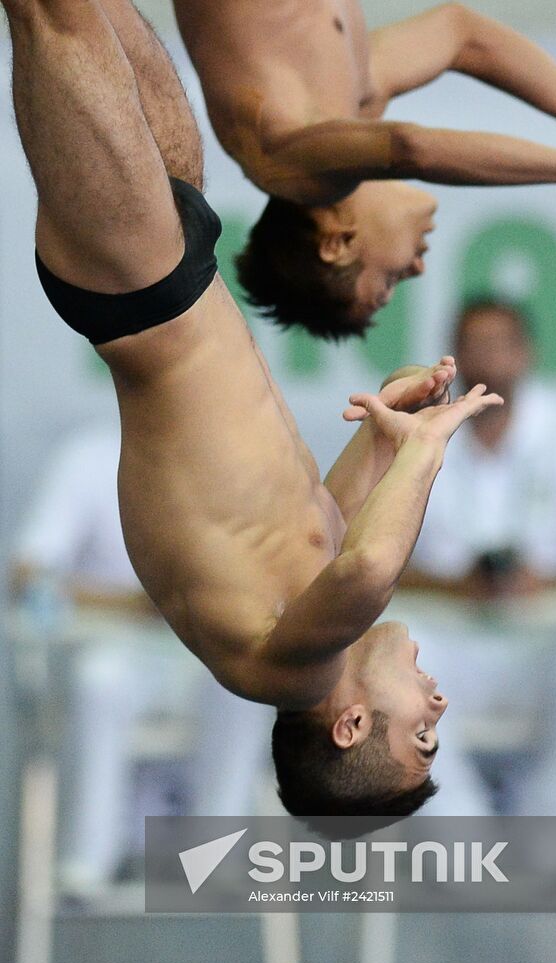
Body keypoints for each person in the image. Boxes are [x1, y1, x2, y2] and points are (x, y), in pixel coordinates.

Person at [1, 0, 503, 829]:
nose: (438, 705)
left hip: (136, 286)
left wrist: (425, 447)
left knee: (54, 15)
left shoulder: (289, 671)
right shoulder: (302, 627)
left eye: (422, 734)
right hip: (173, 266)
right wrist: (392, 428)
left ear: (349, 726)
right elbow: (332, 526)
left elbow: (366, 571)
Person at [172, 0, 556, 339]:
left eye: (389, 282)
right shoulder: (343, 103)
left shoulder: (291, 167)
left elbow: (413, 148)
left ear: (336, 243)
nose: (418, 269)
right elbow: (461, 34)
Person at [400, 298, 556, 817]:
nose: (489, 358)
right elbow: (376, 564)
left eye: (501, 344)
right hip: (453, 647)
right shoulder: (419, 435)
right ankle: (460, 834)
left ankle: (548, 832)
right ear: (455, 356)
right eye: (476, 345)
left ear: (527, 353)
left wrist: (543, 583)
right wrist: (455, 588)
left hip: (544, 640)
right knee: (393, 659)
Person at [9, 424, 273, 891]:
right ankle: (90, 859)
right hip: (119, 648)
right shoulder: (89, 459)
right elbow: (29, 577)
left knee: (246, 682)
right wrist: (136, 604)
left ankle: (215, 850)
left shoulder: (234, 465)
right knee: (101, 678)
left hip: (199, 655)